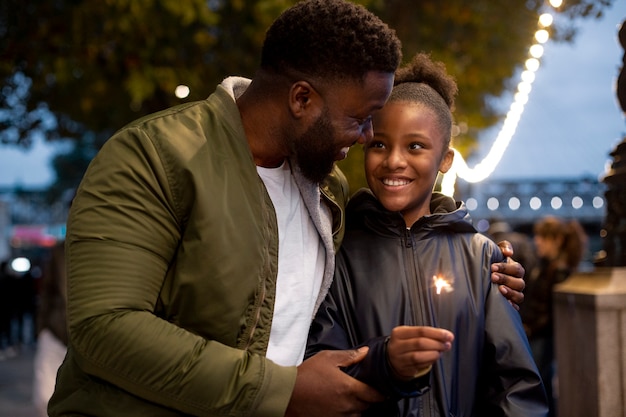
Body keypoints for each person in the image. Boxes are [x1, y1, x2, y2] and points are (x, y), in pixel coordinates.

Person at [49, 1, 527, 416]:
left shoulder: (328, 190)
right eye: (360, 121)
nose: (365, 139)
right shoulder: (152, 157)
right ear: (302, 99)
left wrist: (473, 254)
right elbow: (103, 331)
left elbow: (398, 238)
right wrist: (283, 391)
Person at [306, 53, 548, 416]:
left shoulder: (482, 257)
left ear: (446, 160)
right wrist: (383, 361)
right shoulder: (338, 253)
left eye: (415, 146)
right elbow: (322, 370)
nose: (394, 161)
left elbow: (515, 385)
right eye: (379, 144)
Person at [520, 215, 588, 417]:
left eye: (543, 237)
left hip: (541, 338)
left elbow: (552, 313)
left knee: (537, 386)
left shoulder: (559, 271)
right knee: (542, 387)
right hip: (536, 336)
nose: (537, 241)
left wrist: (530, 327)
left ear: (556, 240)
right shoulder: (545, 266)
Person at [32, 242, 68, 416]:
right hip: (56, 330)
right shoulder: (59, 251)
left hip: (89, 337)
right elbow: (47, 291)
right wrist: (42, 329)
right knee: (44, 398)